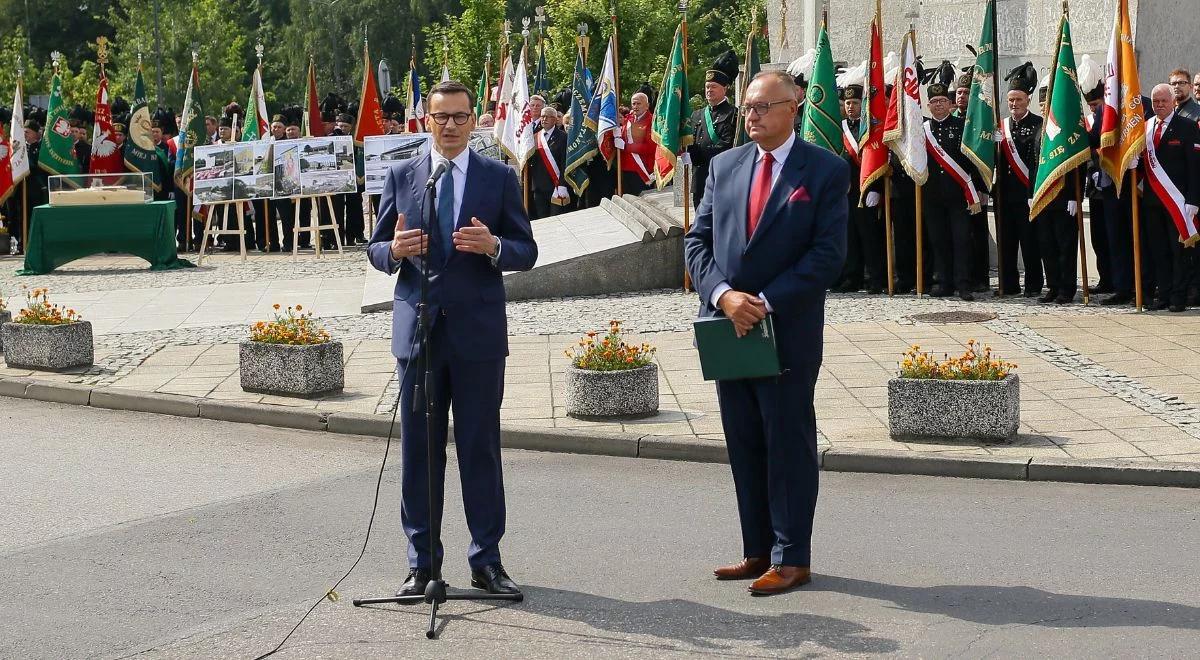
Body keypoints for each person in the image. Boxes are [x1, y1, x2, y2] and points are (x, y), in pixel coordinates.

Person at [366, 80, 537, 598]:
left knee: (479, 448)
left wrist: (494, 247)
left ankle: (486, 560)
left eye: (460, 117)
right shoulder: (403, 174)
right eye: (441, 117)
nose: (450, 126)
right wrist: (393, 251)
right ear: (426, 119)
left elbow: (526, 250)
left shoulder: (498, 177)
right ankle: (422, 564)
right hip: (418, 336)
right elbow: (374, 249)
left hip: (478, 336)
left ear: (474, 120)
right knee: (420, 453)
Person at [685, 70, 847, 596]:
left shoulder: (824, 171)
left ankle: (791, 554)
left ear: (792, 108)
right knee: (744, 441)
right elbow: (698, 242)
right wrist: (724, 297)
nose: (750, 115)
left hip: (787, 330)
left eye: (762, 107)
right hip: (728, 328)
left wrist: (764, 302)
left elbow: (827, 255)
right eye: (748, 107)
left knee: (786, 442)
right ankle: (756, 550)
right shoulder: (724, 166)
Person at [924, 81, 986, 301]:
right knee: (938, 240)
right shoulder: (923, 130)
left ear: (950, 104)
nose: (939, 105)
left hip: (960, 194)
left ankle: (963, 284)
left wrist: (979, 187)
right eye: (934, 102)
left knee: (961, 240)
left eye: (942, 101)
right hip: (932, 195)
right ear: (928, 105)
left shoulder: (962, 127)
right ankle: (943, 282)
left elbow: (973, 159)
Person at [1141, 83, 1200, 312]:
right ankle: (1163, 294)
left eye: (1163, 101)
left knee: (1179, 252)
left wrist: (1194, 200)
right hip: (1152, 202)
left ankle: (1178, 297)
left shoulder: (1186, 127)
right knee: (1158, 250)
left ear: (1172, 102)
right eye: (1155, 102)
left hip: (1178, 202)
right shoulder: (1146, 128)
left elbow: (1194, 167)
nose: (1159, 105)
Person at [830, 84, 884, 294]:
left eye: (855, 103)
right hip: (845, 190)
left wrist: (876, 187)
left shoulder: (871, 127)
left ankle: (876, 278)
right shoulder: (839, 128)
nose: (851, 107)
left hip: (866, 188)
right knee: (849, 235)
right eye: (848, 103)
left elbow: (878, 159)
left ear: (863, 105)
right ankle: (852, 277)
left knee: (870, 236)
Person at [996, 62, 1044, 298]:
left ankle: (1033, 285)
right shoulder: (1000, 126)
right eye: (1011, 100)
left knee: (1029, 242)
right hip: (1004, 193)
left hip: (1027, 193)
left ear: (1028, 99)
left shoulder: (1038, 124)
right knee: (1006, 242)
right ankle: (1008, 285)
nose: (1014, 104)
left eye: (1019, 99)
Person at [687, 50, 739, 209]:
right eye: (707, 87)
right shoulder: (697, 115)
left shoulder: (733, 114)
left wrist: (700, 154)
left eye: (714, 87)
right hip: (700, 178)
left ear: (725, 88)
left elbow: (729, 146)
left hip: (721, 178)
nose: (709, 90)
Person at [528, 107, 569, 219]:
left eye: (548, 116)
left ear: (555, 120)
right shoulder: (535, 137)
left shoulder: (563, 137)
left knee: (556, 219)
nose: (544, 119)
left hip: (555, 186)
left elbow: (564, 162)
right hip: (539, 186)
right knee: (542, 218)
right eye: (543, 116)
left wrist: (562, 184)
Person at [618, 92, 656, 195]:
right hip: (626, 168)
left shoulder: (652, 121)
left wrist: (626, 147)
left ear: (647, 106)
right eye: (633, 104)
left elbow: (650, 147)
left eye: (638, 104)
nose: (635, 106)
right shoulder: (628, 120)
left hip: (642, 170)